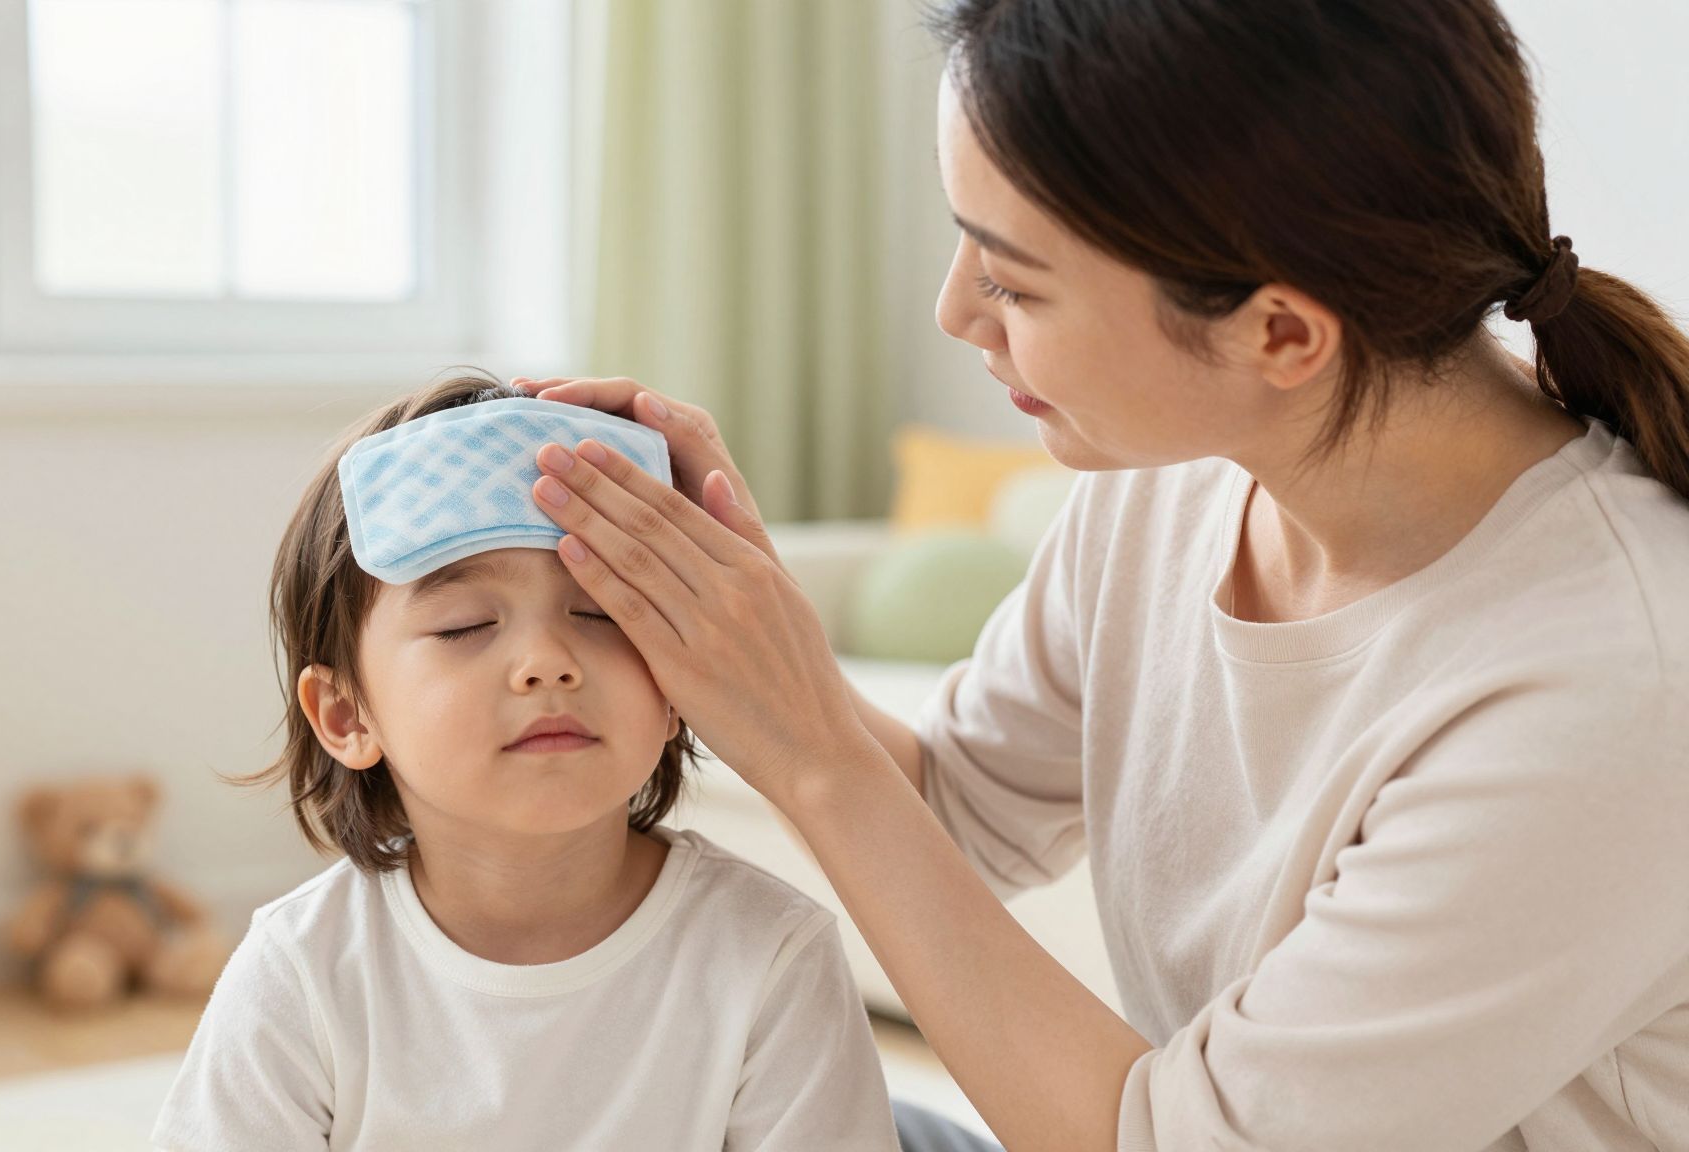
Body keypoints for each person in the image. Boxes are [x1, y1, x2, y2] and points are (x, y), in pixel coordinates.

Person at [515, 0, 1689, 1148]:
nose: (952, 311)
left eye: (1013, 281)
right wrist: (738, 607)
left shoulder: (1604, 683)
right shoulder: (1168, 483)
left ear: (1279, 335)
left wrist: (813, 756)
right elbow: (954, 813)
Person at [151, 375, 899, 1151]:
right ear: (347, 716)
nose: (547, 661)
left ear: (680, 678)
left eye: (599, 613)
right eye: (467, 625)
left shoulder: (771, 957)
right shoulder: (303, 972)